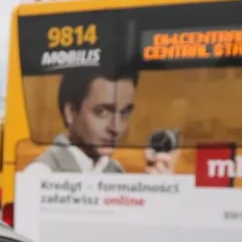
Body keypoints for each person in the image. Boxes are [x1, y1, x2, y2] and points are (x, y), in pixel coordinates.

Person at [25, 65, 180, 175]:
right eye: (102, 112)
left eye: (124, 113)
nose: (116, 128)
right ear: (71, 112)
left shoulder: (116, 173)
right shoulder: (41, 175)